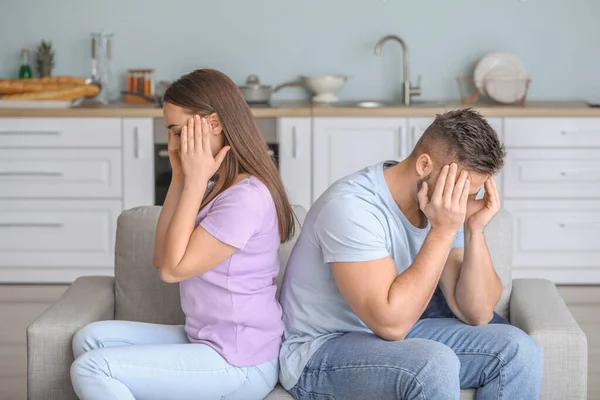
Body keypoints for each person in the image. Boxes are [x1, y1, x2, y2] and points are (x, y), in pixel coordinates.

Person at [278, 108, 544, 400]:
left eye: (470, 195)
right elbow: (391, 324)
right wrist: (443, 231)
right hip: (320, 352)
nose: (462, 203)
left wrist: (473, 230)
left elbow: (477, 312)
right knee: (433, 364)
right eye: (461, 192)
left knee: (518, 350)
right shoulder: (352, 207)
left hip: (388, 339)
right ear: (424, 165)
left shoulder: (439, 204)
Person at [70, 69, 296, 400]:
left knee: (91, 368)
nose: (172, 143)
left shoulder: (245, 197)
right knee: (89, 339)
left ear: (214, 124)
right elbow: (162, 255)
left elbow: (172, 270)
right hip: (205, 339)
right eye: (170, 133)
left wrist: (193, 181)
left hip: (239, 361)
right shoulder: (219, 187)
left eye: (178, 132)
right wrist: (179, 177)